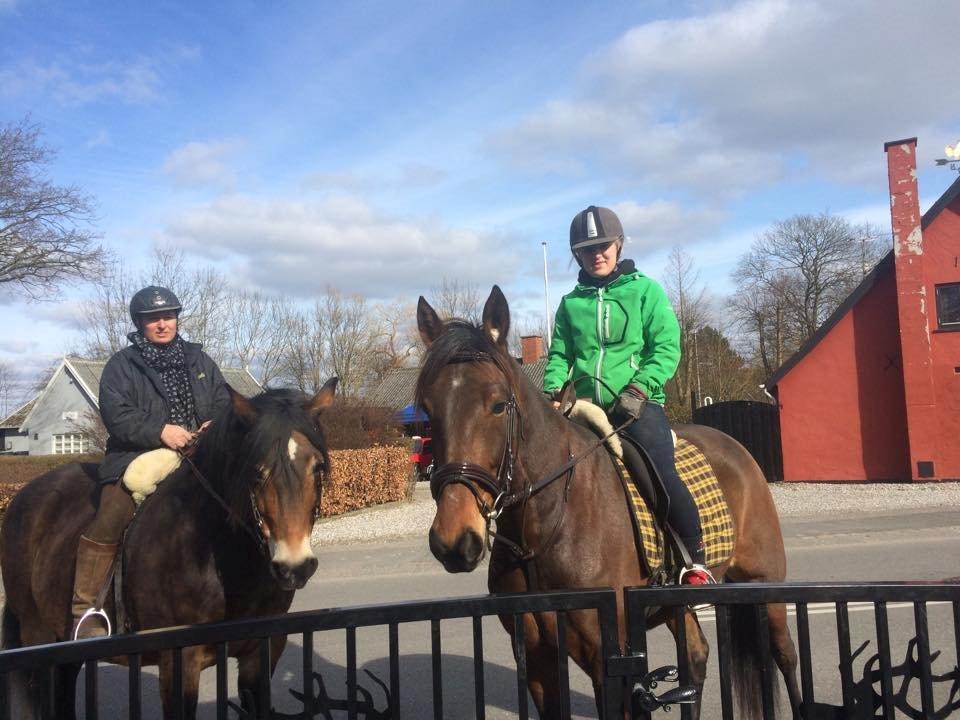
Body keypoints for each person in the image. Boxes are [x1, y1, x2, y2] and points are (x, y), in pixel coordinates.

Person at [542, 206, 714, 586]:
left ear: (618, 245)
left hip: (637, 404)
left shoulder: (645, 291)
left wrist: (641, 386)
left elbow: (666, 347)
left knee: (659, 470)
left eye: (603, 246)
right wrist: (554, 389)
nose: (597, 254)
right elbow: (560, 355)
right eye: (587, 250)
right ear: (577, 256)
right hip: (584, 407)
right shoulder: (571, 304)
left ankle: (692, 559)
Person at [71, 286, 230, 638]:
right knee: (112, 511)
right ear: (139, 323)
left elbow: (223, 400)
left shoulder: (201, 361)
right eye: (154, 318)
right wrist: (161, 431)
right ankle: (87, 610)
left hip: (200, 456)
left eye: (168, 316)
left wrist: (216, 424)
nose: (162, 324)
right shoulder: (121, 366)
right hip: (136, 455)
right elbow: (117, 415)